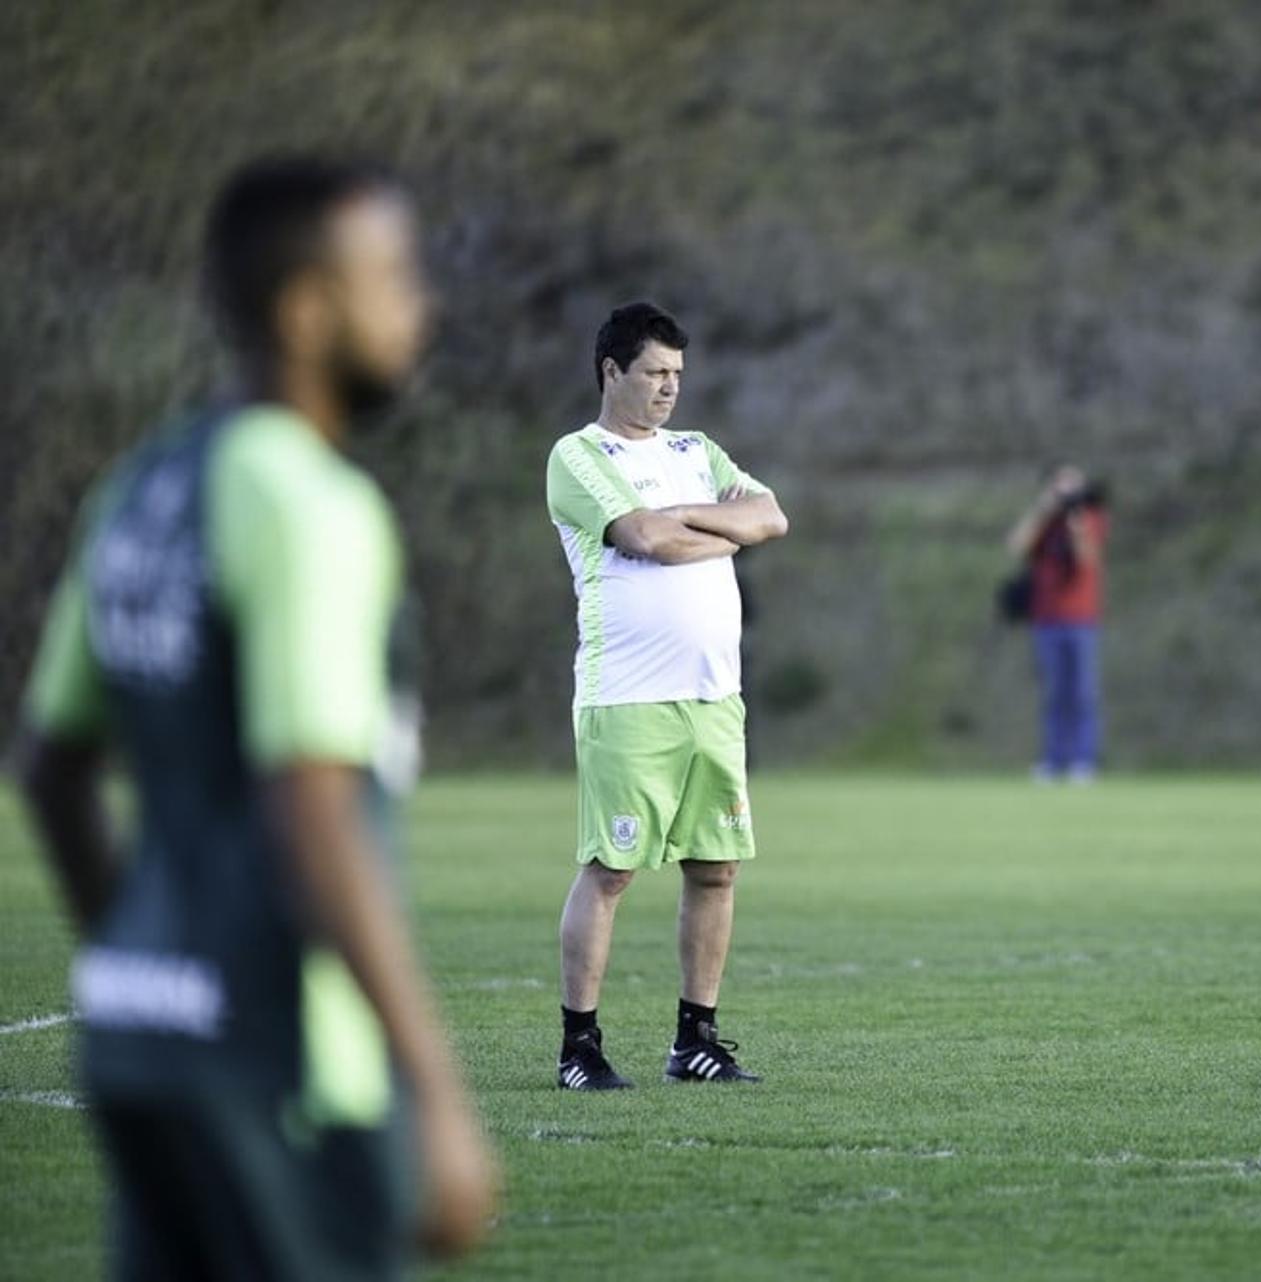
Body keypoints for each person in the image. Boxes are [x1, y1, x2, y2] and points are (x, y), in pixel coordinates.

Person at [15, 156, 497, 1278]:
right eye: (393, 274)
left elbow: (49, 762)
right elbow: (314, 807)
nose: (419, 304)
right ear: (306, 308)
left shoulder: (145, 484)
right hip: (281, 1069)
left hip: (143, 1041)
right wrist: (433, 1088)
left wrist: (138, 952)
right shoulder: (307, 503)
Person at [546, 301, 788, 1089]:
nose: (667, 388)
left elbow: (772, 516)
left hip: (715, 695)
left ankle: (696, 1042)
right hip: (628, 699)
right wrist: (718, 531)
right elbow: (643, 540)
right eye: (653, 372)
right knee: (611, 872)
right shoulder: (579, 456)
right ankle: (578, 1048)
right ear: (611, 371)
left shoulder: (696, 450)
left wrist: (688, 513)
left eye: (677, 374)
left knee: (716, 869)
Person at [1005, 465, 1109, 781]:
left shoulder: (1091, 517)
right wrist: (1042, 510)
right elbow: (1015, 546)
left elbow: (1087, 559)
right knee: (1053, 693)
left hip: (1081, 619)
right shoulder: (1045, 523)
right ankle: (1053, 760)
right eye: (1061, 485)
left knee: (1082, 693)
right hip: (1046, 619)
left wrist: (1076, 524)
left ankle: (1083, 761)